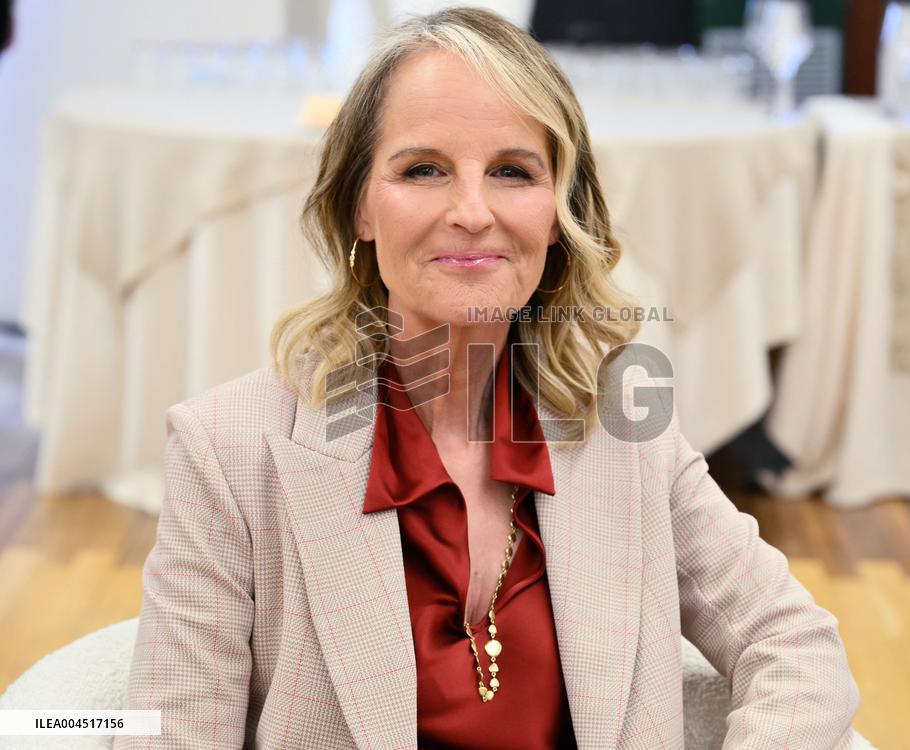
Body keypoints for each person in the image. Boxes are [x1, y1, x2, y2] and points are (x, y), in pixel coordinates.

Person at [116, 7, 860, 748]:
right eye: (423, 170)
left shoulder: (627, 432)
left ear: (558, 212)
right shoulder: (228, 449)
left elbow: (795, 647)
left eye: (512, 171)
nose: (472, 212)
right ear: (360, 210)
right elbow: (168, 731)